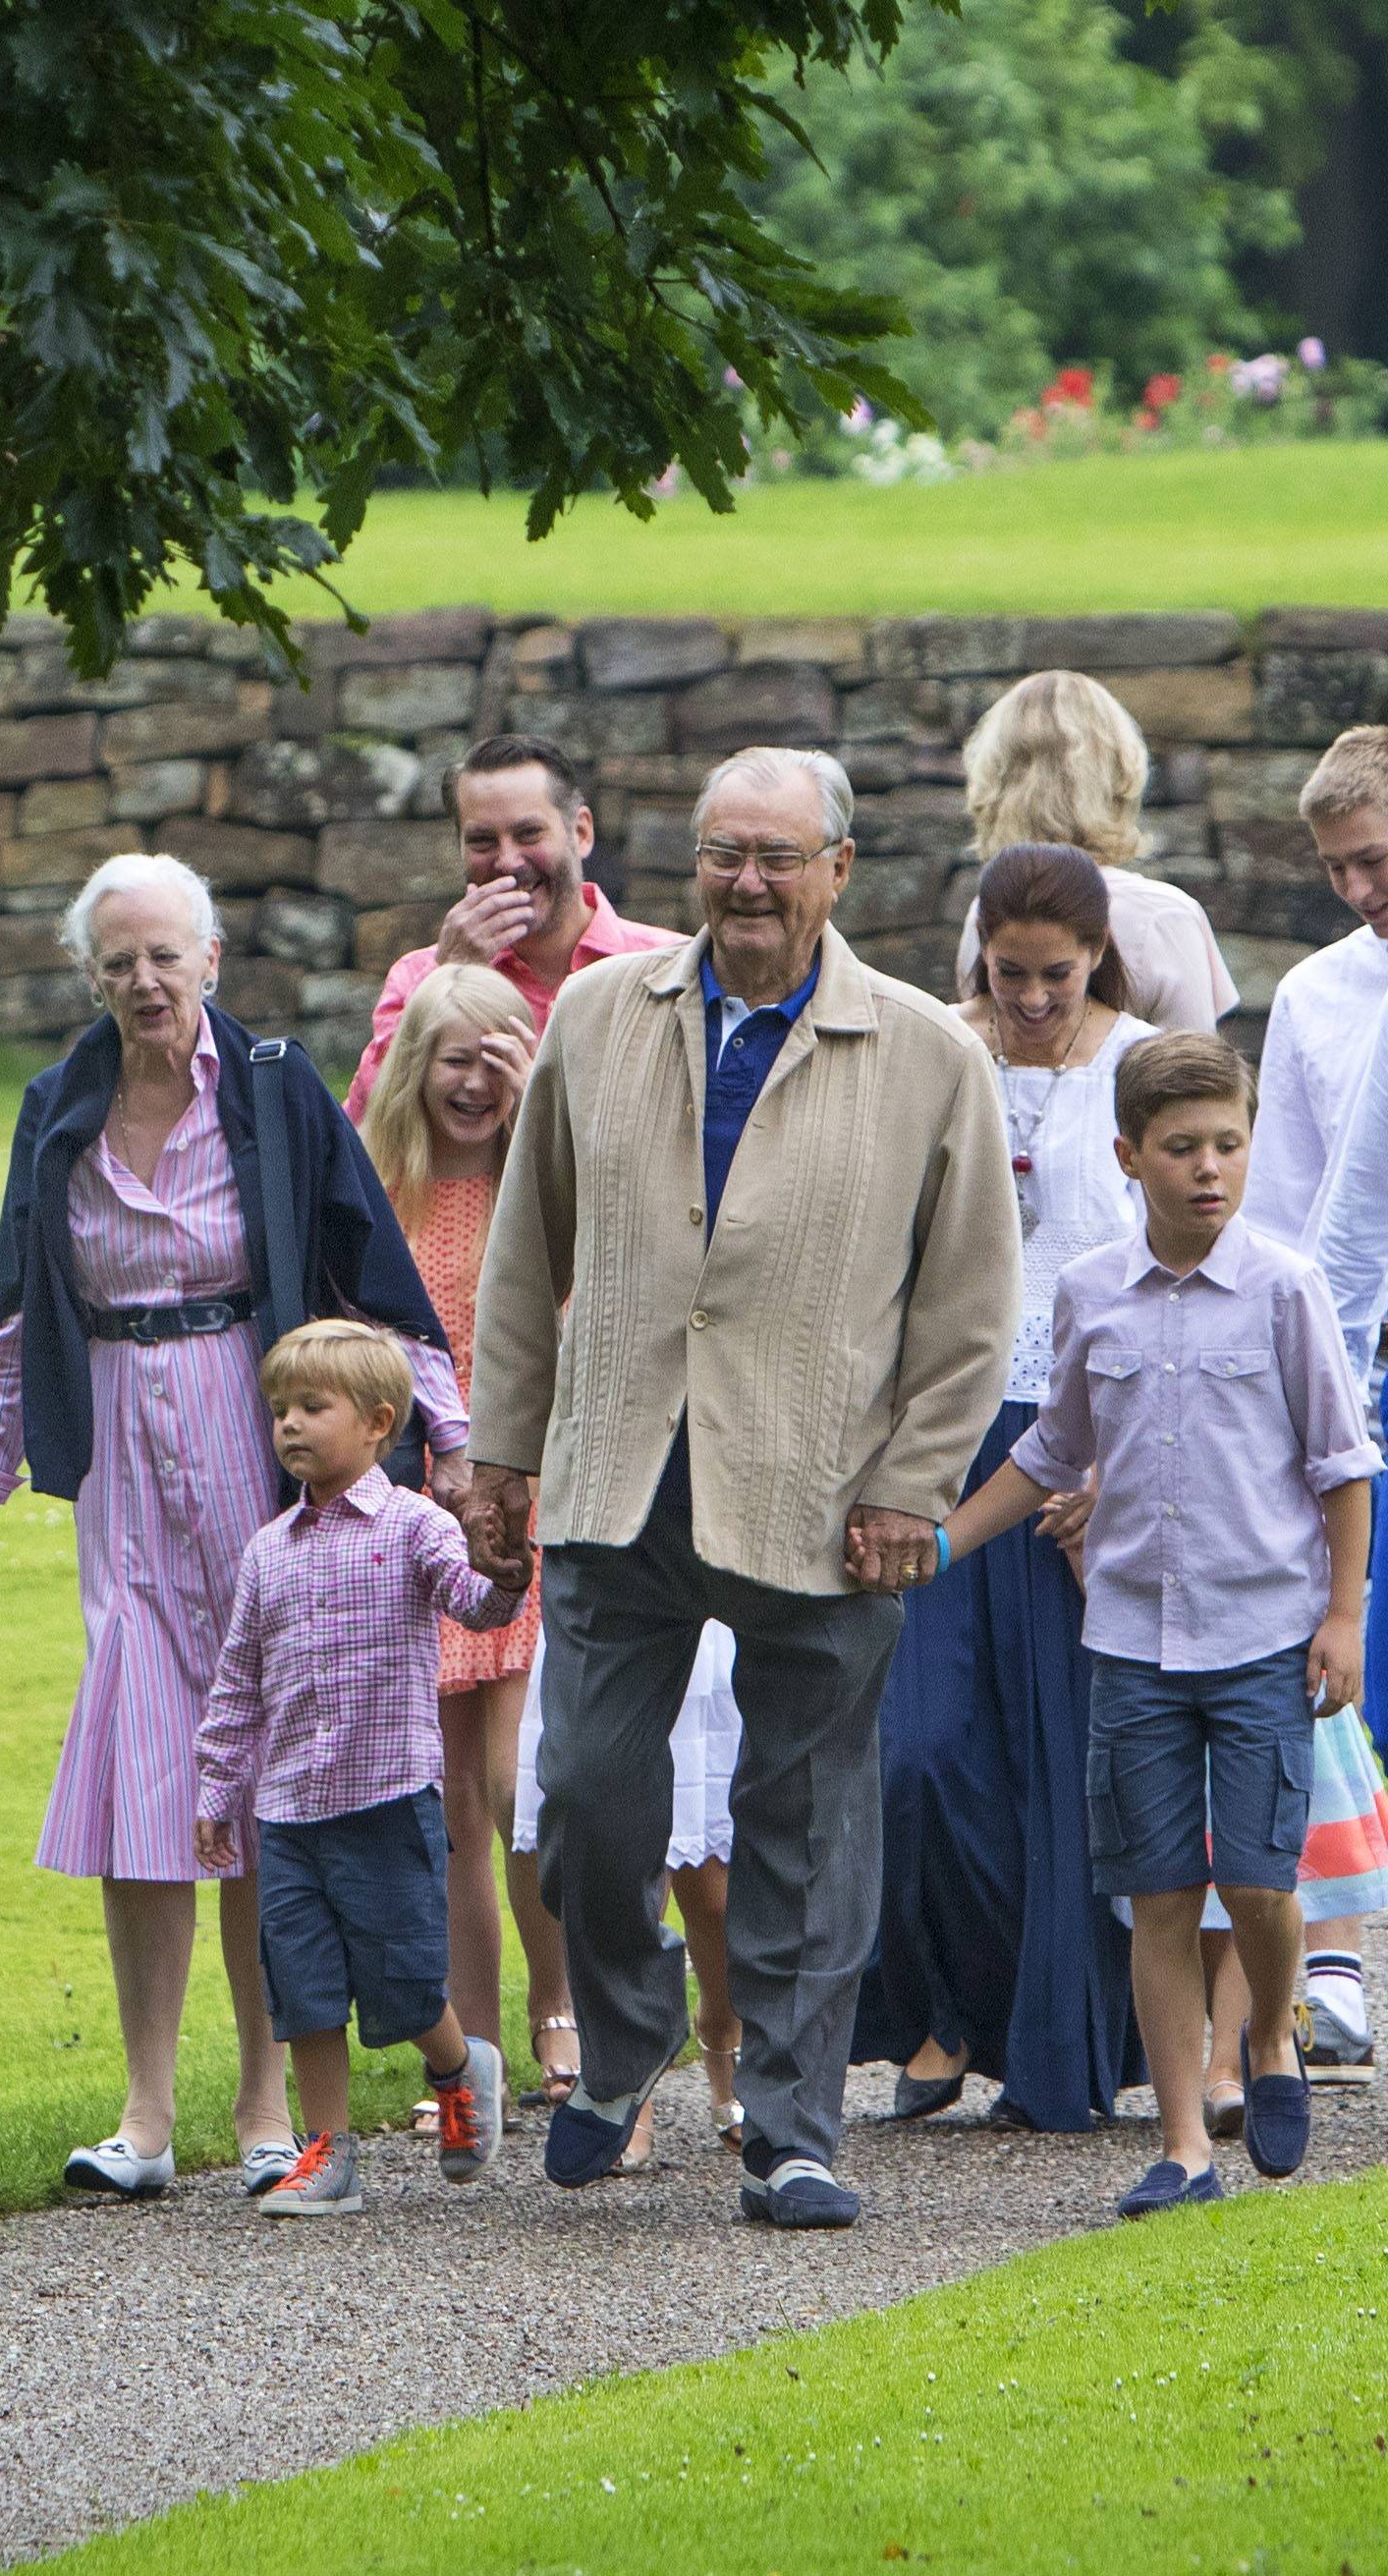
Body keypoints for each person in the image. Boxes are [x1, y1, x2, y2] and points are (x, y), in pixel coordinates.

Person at [466, 744, 1022, 2228]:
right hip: (618, 1470)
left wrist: (915, 1484)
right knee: (577, 1790)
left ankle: (789, 2125)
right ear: (690, 863)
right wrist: (498, 1455)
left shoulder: (925, 1053)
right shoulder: (598, 1014)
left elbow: (971, 1312)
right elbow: (525, 1259)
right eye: (724, 852)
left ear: (843, 868)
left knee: (807, 1815)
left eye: (780, 855)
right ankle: (626, 2038)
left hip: (822, 1489)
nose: (750, 882)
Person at [0, 854, 472, 2201]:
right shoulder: (60, 1108)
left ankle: (267, 2097)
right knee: (141, 1770)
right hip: (119, 1457)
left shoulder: (277, 1091)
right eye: (119, 963)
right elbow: (13, 1319)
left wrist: (449, 1439)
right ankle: (147, 2113)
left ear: (212, 958)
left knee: (264, 1771)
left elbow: (376, 1280)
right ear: (90, 975)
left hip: (254, 1435)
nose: (146, 982)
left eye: (167, 956)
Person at [920, 1032, 1380, 2219]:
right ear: (1129, 1157)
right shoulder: (1088, 1291)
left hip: (1264, 1633)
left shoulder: (1285, 1287)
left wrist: (1343, 1614)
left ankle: (1269, 2037)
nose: (1209, 1169)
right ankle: (1184, 2145)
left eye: (1228, 1144)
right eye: (1181, 1149)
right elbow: (1054, 1452)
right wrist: (939, 1545)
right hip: (1129, 1638)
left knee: (1264, 1884)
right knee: (1160, 1892)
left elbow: (1342, 1463)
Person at [852, 844, 1158, 2133]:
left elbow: (1166, 1264)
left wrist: (1122, 1459)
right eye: (1009, 971)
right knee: (920, 1754)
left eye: (1058, 974)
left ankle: (1058, 2031)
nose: (1033, 999)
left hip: (1093, 1444)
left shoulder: (1137, 1060)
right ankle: (946, 2001)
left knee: (1064, 1760)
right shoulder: (930, 1049)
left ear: (1095, 957)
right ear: (976, 949)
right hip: (942, 1428)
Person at [194, 1320, 525, 2216]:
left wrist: (504, 1572)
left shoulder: (415, 1525)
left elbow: (474, 1605)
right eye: (278, 1411)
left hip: (386, 1799)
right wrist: (220, 1786)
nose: (290, 1426)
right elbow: (238, 1682)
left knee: (407, 1980)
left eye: (312, 1407)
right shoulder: (269, 1551)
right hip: (292, 1809)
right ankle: (326, 2153)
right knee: (299, 1987)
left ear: (380, 1422)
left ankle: (461, 2067)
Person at [361, 964, 582, 2119]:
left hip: (528, 1504)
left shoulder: (543, 1191)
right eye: (456, 1059)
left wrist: (543, 1108)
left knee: (521, 1785)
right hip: (417, 1515)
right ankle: (472, 2054)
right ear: (414, 1069)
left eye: (501, 1063)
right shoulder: (385, 1191)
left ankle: (562, 2011)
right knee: (445, 1805)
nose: (475, 1084)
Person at [1239, 724, 1388, 2082]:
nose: (1361, 889)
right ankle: (1331, 1953)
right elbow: (1287, 1203)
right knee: (1340, 1656)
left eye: (1377, 859)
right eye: (1340, 868)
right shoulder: (1319, 998)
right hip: (1354, 1366)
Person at [343, 732, 679, 1122]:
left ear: (581, 832)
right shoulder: (418, 977)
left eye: (528, 834)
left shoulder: (669, 966)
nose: (508, 861)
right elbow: (365, 1132)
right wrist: (446, 981)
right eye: (483, 841)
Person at [513, 1626, 748, 2163]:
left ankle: (721, 2030)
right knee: (621, 1865)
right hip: (608, 1612)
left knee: (711, 1893)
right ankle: (627, 2086)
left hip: (701, 1612)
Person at [954, 671, 1239, 1032]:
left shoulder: (984, 910)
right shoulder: (1165, 916)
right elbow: (1195, 1069)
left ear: (994, 781)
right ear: (1121, 772)